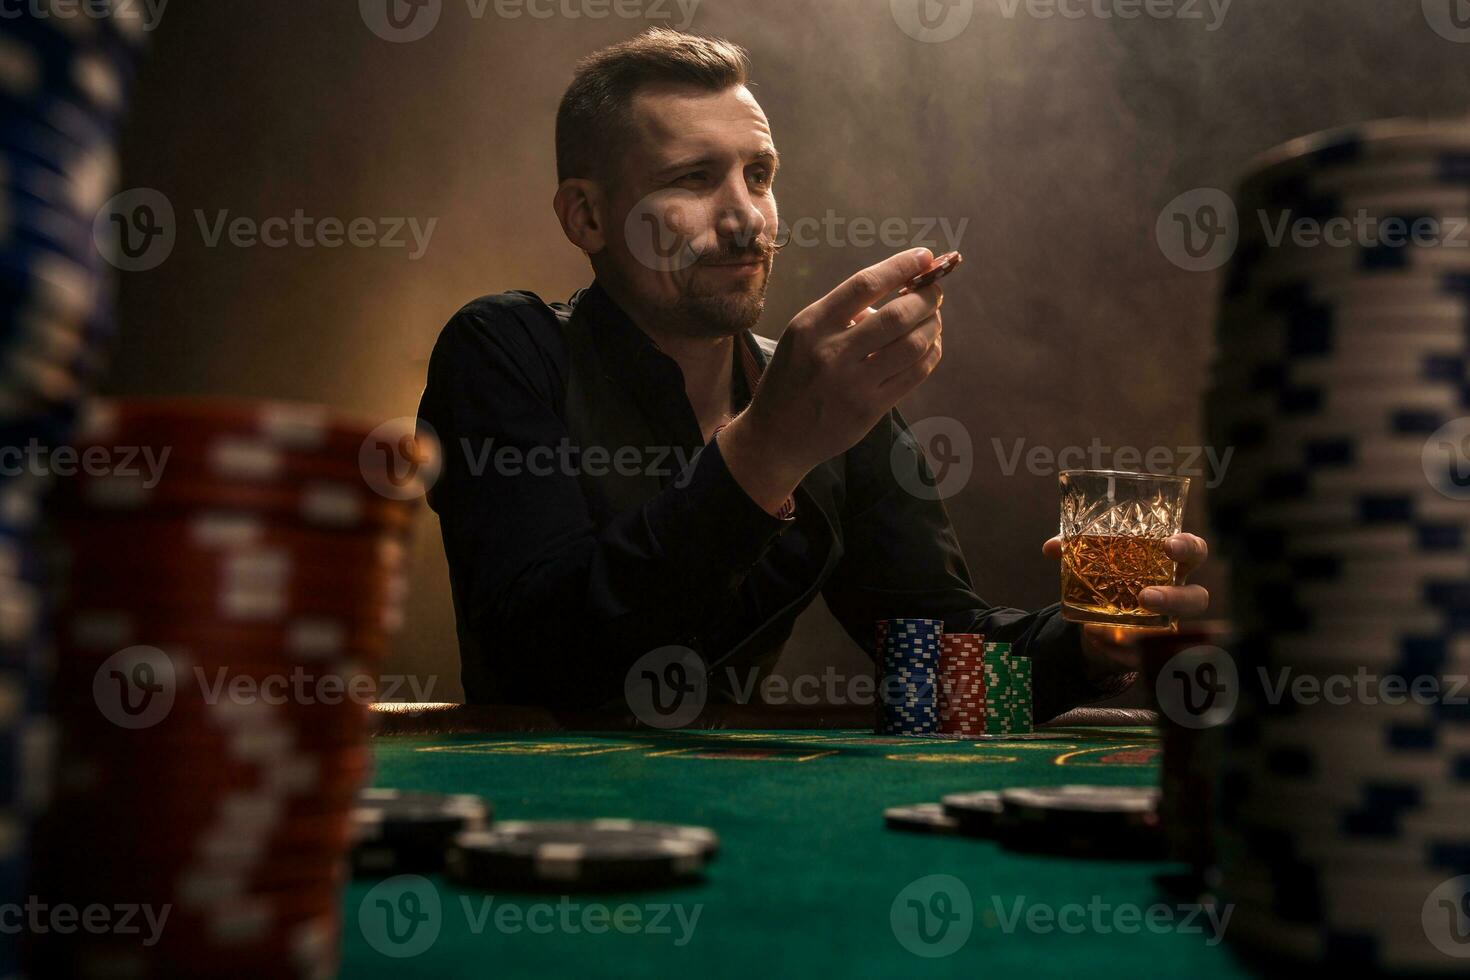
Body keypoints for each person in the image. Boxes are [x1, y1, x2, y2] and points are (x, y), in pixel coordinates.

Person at [417, 27, 1211, 718]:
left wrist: (1092, 647)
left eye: (759, 176)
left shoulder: (823, 398)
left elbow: (937, 670)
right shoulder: (504, 347)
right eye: (692, 179)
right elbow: (537, 664)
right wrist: (769, 447)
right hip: (533, 830)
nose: (744, 219)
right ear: (585, 215)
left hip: (737, 835)